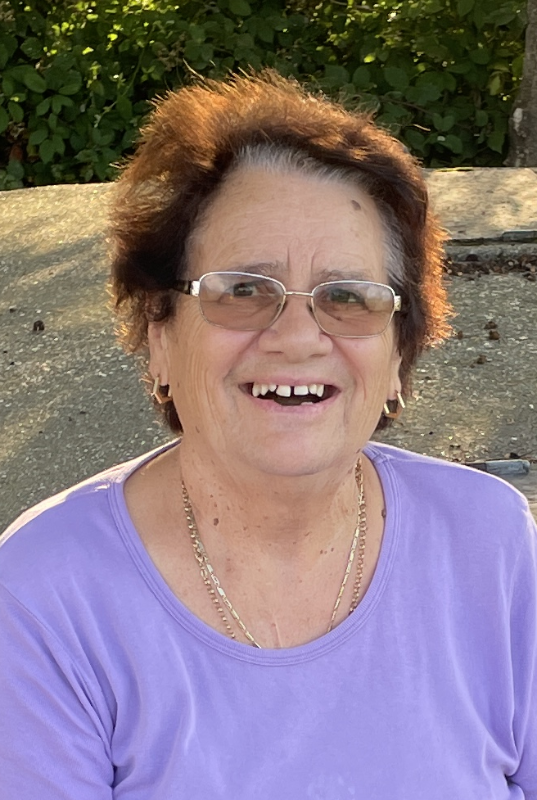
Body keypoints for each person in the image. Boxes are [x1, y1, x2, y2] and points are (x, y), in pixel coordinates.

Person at [1, 71, 536, 799]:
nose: (298, 337)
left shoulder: (490, 542)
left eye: (348, 297)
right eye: (244, 290)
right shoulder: (42, 597)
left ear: (397, 356)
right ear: (160, 334)